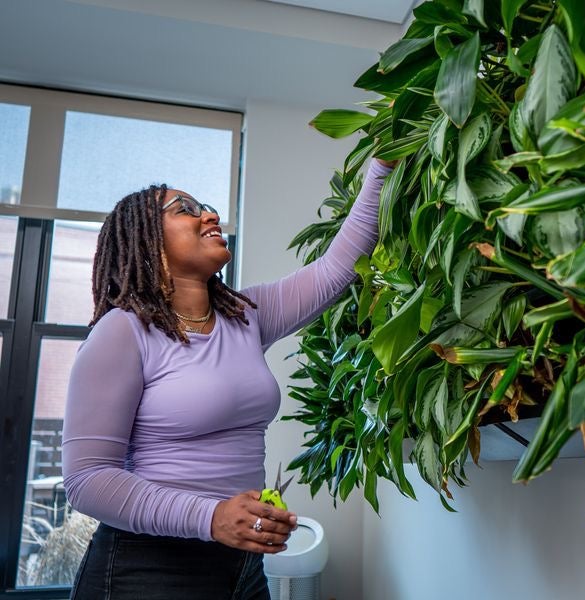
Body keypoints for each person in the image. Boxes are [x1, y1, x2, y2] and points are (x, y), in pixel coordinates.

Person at [62, 158, 396, 599]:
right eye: (184, 209)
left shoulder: (244, 317)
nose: (209, 215)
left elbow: (336, 269)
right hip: (147, 570)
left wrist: (383, 166)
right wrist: (212, 517)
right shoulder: (122, 331)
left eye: (206, 205)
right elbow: (87, 479)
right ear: (146, 242)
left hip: (241, 564)